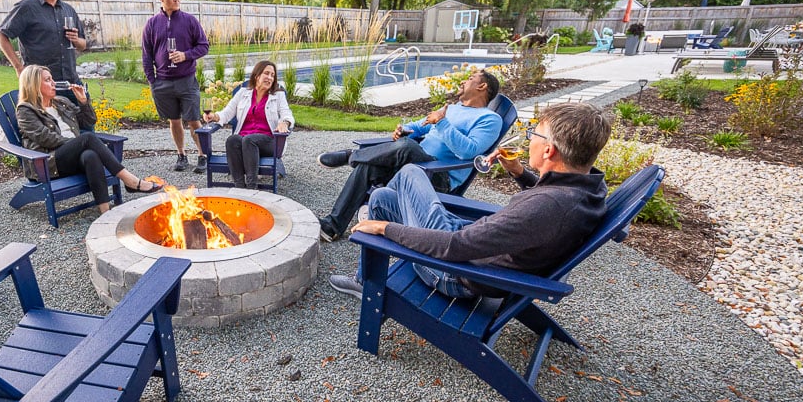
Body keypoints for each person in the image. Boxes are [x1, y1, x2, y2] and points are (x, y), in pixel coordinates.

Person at [328, 102, 612, 299]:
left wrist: (384, 229)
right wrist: (521, 174)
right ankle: (364, 282)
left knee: (411, 172)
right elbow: (546, 203)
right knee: (382, 196)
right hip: (474, 248)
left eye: (533, 134)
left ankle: (363, 201)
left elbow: (455, 246)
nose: (528, 140)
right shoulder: (586, 190)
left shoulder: (548, 207)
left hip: (455, 273)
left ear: (549, 150)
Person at [315, 69, 503, 242]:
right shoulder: (452, 108)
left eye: (470, 79)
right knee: (369, 165)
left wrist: (442, 122)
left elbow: (468, 151)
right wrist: (404, 130)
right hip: (411, 168)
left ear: (482, 86)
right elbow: (418, 125)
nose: (463, 81)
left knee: (407, 147)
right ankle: (332, 226)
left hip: (437, 178)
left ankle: (351, 156)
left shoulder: (490, 119)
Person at [15, 65, 161, 214]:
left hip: (71, 158)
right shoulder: (26, 110)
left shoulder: (61, 102)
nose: (53, 83)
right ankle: (130, 181)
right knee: (88, 138)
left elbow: (89, 121)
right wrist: (78, 144)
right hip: (49, 162)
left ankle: (105, 211)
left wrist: (84, 103)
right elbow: (46, 139)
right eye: (47, 80)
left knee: (90, 155)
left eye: (52, 78)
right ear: (33, 85)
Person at [0, 0, 90, 122]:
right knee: (50, 136)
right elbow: (1, 34)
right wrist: (19, 67)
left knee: (86, 126)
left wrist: (76, 40)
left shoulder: (68, 10)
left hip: (72, 84)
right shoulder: (27, 7)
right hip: (42, 88)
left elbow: (83, 45)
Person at [142, 0, 211, 173]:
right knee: (174, 120)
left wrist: (185, 55)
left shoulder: (189, 20)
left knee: (193, 120)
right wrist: (152, 81)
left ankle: (202, 155)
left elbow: (204, 46)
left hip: (186, 80)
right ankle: (181, 155)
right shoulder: (152, 24)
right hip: (162, 82)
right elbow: (146, 55)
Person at [203, 60, 294, 189]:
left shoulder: (278, 96)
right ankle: (239, 186)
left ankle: (252, 187)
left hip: (269, 141)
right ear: (257, 76)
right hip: (245, 141)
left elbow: (287, 114)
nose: (270, 78)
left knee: (249, 140)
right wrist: (214, 116)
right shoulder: (243, 93)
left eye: (272, 75)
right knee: (232, 139)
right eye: (266, 73)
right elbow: (227, 113)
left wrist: (285, 123)